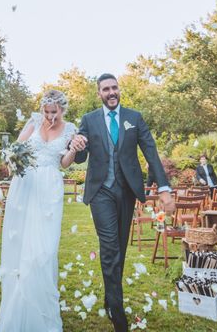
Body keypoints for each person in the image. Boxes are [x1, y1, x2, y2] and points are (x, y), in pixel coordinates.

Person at [71, 74, 175, 332]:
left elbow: (150, 151)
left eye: (114, 87)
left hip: (127, 191)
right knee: (109, 248)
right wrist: (77, 143)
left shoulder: (134, 118)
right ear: (99, 94)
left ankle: (110, 298)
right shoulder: (89, 119)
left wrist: (164, 189)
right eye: (105, 89)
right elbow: (79, 158)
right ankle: (119, 317)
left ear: (119, 90)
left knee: (120, 248)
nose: (111, 92)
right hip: (100, 192)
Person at [0, 90, 78, 332]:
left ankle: (41, 303)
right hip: (25, 186)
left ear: (62, 110)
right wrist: (11, 159)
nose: (51, 117)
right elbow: (15, 149)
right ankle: (20, 304)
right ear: (42, 108)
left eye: (55, 112)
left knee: (45, 248)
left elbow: (64, 163)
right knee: (21, 244)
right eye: (47, 112)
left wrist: (73, 150)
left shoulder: (70, 128)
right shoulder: (33, 122)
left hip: (50, 187)